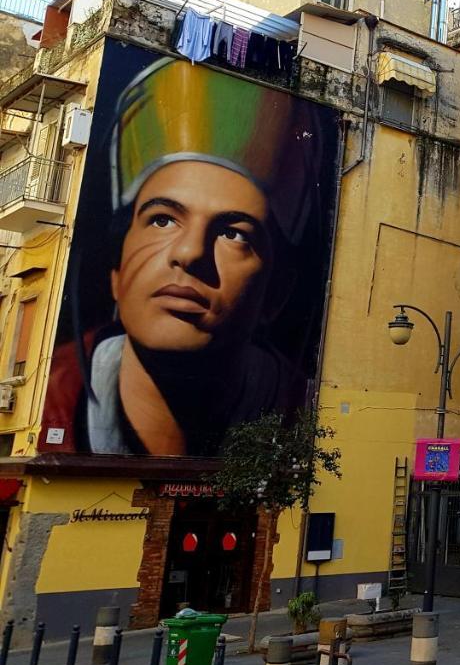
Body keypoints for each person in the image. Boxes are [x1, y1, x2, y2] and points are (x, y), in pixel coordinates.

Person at [43, 57, 324, 456]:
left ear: (276, 292)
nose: (190, 254)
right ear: (117, 268)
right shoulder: (55, 388)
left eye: (233, 233)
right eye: (162, 221)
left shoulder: (310, 416)